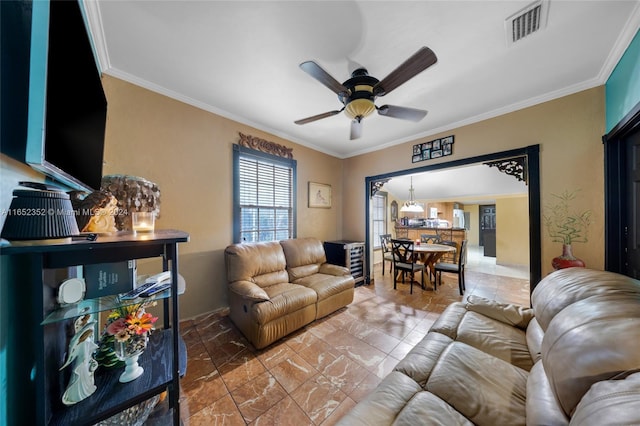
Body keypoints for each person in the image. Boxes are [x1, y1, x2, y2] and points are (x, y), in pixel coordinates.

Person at [59, 319, 99, 405]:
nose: (91, 333)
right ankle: (75, 395)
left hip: (85, 361)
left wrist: (90, 359)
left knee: (84, 378)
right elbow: (79, 351)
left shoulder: (87, 340)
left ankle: (82, 392)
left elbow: (89, 351)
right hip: (82, 362)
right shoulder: (81, 341)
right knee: (78, 378)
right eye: (90, 331)